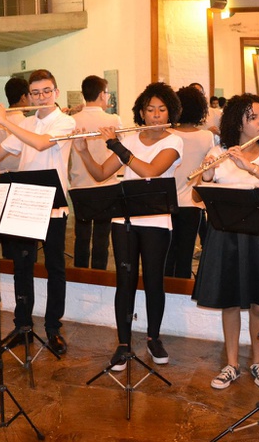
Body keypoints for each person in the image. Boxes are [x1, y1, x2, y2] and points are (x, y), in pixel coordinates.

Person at [72, 82, 182, 369]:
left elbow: (150, 171)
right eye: (150, 110)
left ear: (170, 112)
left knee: (154, 281)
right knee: (125, 280)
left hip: (157, 220)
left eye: (162, 110)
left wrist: (116, 145)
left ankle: (154, 338)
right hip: (125, 219)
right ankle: (123, 344)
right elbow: (100, 174)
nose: (156, 115)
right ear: (141, 113)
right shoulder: (131, 139)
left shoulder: (174, 142)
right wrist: (83, 151)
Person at [0, 69, 75, 355]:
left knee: (55, 268)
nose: (42, 97)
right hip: (26, 202)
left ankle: (53, 329)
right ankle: (23, 327)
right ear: (30, 95)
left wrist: (5, 121)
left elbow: (41, 143)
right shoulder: (26, 122)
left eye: (47, 91)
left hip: (53, 204)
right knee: (22, 268)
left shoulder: (66, 121)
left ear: (56, 92)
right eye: (36, 93)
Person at [192, 94, 259, 390]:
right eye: (253, 117)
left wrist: (250, 167)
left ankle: (258, 362)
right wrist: (207, 174)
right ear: (238, 123)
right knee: (230, 301)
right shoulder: (218, 150)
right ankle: (232, 364)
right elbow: (197, 196)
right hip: (225, 235)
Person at [69, 75, 122, 270]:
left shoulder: (72, 120)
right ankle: (99, 275)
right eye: (107, 94)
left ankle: (80, 274)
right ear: (101, 94)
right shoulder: (113, 119)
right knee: (102, 237)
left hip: (80, 185)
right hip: (107, 184)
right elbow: (123, 149)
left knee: (81, 236)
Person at [165, 85, 214, 278]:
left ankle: (165, 291)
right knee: (185, 256)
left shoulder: (167, 134)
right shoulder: (206, 137)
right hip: (192, 204)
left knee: (167, 255)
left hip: (167, 202)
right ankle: (182, 292)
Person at [0, 77, 29, 173]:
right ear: (23, 98)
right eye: (31, 95)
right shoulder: (28, 124)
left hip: (1, 175)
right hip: (23, 175)